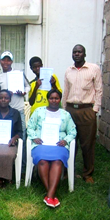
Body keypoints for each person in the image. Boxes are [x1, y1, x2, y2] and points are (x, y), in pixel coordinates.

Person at [27, 89, 77, 208]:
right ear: (48, 99)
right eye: (51, 98)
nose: (54, 100)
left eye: (56, 98)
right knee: (42, 160)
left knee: (58, 161)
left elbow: (72, 130)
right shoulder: (39, 111)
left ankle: (49, 195)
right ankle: (51, 194)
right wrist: (34, 137)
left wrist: (66, 140)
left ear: (60, 100)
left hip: (59, 144)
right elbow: (30, 127)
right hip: (41, 143)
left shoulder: (65, 114)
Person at [62, 44, 102, 183]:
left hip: (87, 110)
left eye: (79, 52)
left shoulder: (93, 69)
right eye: (74, 52)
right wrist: (64, 109)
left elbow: (99, 90)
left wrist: (95, 110)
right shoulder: (69, 70)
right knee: (70, 142)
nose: (77, 54)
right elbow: (66, 91)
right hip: (71, 110)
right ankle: (67, 172)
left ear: (84, 54)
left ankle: (87, 173)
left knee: (87, 144)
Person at [0, 51, 30, 171]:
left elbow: (28, 86)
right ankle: (7, 166)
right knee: (6, 137)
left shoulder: (19, 74)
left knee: (22, 137)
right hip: (5, 112)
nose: (5, 62)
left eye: (8, 60)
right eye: (3, 60)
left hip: (19, 109)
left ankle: (22, 167)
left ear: (11, 62)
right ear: (0, 61)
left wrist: (24, 92)